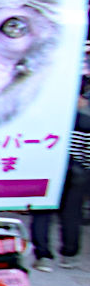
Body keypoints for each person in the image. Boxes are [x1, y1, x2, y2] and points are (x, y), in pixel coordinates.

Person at [32, 73, 90, 267]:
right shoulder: (86, 120)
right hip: (78, 170)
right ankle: (69, 255)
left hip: (49, 166)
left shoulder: (50, 115)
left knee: (43, 211)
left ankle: (43, 256)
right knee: (72, 213)